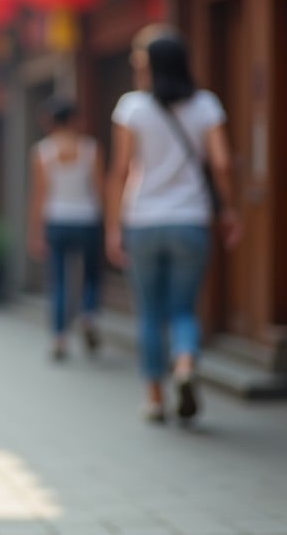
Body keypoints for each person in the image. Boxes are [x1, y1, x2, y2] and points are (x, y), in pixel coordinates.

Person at [105, 24, 242, 425]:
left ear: (152, 65)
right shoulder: (206, 105)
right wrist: (229, 209)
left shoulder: (132, 107)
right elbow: (221, 163)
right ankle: (185, 365)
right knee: (185, 308)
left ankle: (155, 399)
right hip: (191, 220)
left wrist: (114, 227)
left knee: (150, 313)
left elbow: (121, 169)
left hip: (143, 220)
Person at [27, 96, 104, 362]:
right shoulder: (91, 149)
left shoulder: (43, 151)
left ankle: (59, 337)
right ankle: (89, 314)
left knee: (58, 279)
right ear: (74, 119)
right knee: (92, 275)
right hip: (87, 218)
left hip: (57, 219)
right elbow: (100, 188)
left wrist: (35, 232)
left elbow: (40, 195)